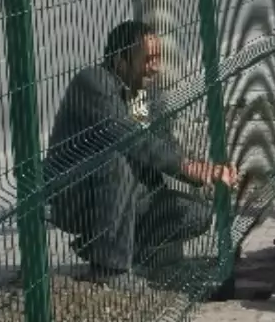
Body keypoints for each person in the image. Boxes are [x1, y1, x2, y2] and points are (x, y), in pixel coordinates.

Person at [44, 20, 238, 286]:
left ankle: (133, 259)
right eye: (148, 59)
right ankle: (109, 270)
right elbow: (129, 138)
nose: (155, 67)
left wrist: (203, 174)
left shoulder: (148, 93)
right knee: (118, 158)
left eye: (158, 58)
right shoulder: (93, 83)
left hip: (133, 195)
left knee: (196, 213)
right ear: (120, 61)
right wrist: (185, 166)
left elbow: (166, 146)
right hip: (78, 196)